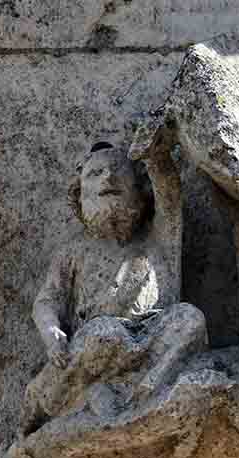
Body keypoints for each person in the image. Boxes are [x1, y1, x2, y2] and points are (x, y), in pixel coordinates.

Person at [22, 142, 206, 435]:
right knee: (101, 334)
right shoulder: (74, 250)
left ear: (140, 187)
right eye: (95, 174)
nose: (108, 178)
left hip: (150, 336)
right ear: (80, 195)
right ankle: (65, 399)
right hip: (100, 342)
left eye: (118, 171)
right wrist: (51, 333)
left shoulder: (159, 234)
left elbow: (169, 193)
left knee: (190, 319)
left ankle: (145, 393)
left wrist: (153, 151)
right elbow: (47, 301)